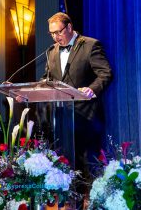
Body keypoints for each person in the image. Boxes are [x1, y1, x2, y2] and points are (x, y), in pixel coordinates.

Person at [44, 12, 112, 189]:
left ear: (69, 27)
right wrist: (28, 92)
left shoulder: (90, 45)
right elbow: (47, 80)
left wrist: (92, 88)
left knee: (89, 166)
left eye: (58, 32)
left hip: (87, 116)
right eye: (51, 34)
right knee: (66, 165)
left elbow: (105, 74)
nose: (55, 37)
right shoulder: (51, 52)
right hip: (62, 118)